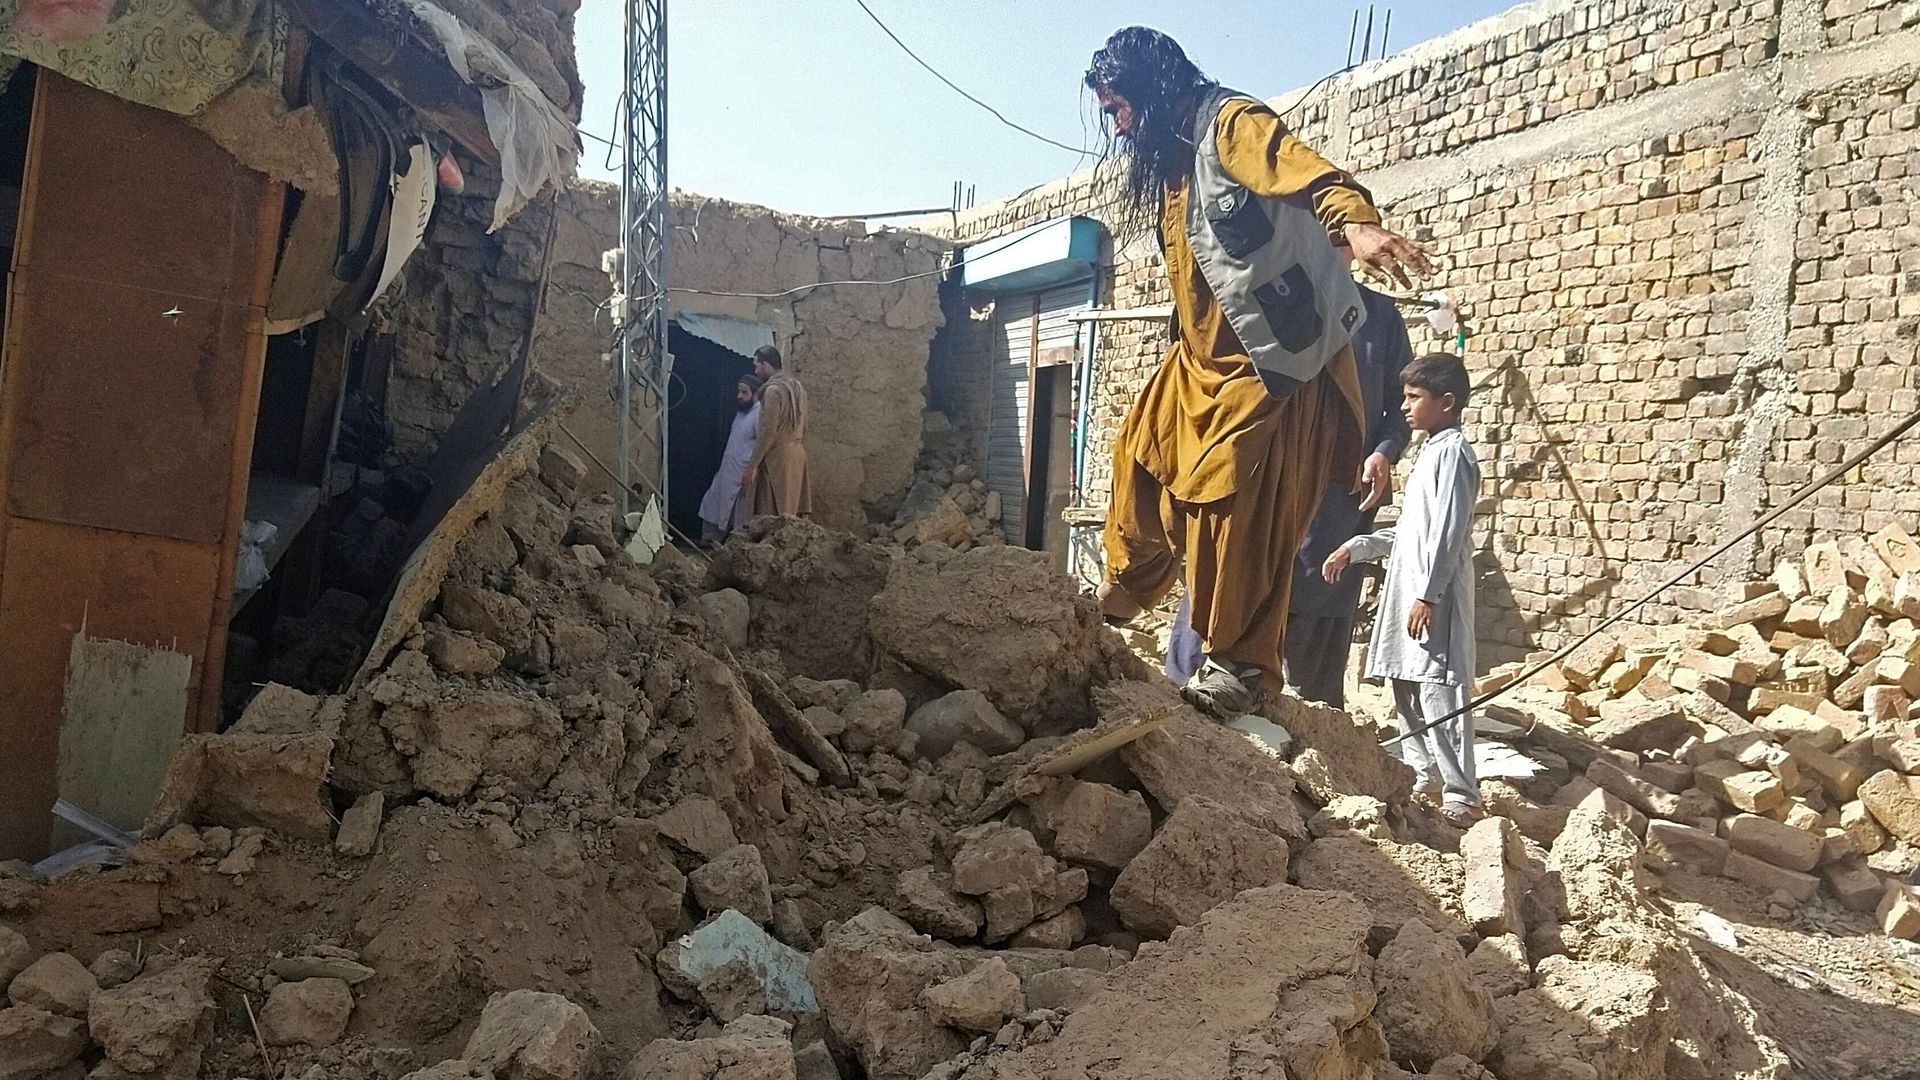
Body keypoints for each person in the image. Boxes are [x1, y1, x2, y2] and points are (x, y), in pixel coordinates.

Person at [1085, 26, 1431, 716]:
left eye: (1122, 105)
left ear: (1153, 90)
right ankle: (1121, 597)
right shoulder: (1173, 165)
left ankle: (1240, 668)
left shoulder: (1232, 124)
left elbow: (1308, 174)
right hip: (1199, 363)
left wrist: (1356, 225)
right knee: (1140, 457)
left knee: (1236, 514)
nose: (1117, 123)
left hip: (1267, 368)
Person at [1164, 252, 1414, 707]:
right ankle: (1186, 698)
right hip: (1262, 480)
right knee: (1230, 580)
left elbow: (1402, 404)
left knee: (1321, 593)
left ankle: (1308, 725)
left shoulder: (1378, 317)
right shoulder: (1259, 297)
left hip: (1339, 494)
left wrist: (1384, 451)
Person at [1322, 353, 1482, 825]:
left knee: (1440, 689)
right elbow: (1413, 531)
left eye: (1415, 398)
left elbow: (1448, 533)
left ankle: (1462, 794)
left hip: (1433, 597)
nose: (1406, 408)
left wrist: (1429, 595)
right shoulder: (1430, 451)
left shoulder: (1454, 452)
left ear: (1446, 403)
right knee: (1404, 684)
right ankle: (1423, 773)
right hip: (1409, 592)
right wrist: (1359, 546)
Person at [742, 345, 812, 517]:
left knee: (771, 514)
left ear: (765, 364)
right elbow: (805, 425)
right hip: (796, 456)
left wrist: (753, 465)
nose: (756, 371)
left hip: (777, 460)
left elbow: (768, 431)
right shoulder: (798, 388)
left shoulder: (773, 391)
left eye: (757, 365)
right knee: (791, 513)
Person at [697, 374, 763, 545]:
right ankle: (709, 540)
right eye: (738, 391)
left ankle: (734, 545)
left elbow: (761, 444)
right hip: (727, 468)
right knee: (712, 503)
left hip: (741, 473)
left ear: (755, 394)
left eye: (744, 392)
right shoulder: (741, 414)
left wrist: (751, 468)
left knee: (736, 512)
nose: (739, 395)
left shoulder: (758, 415)